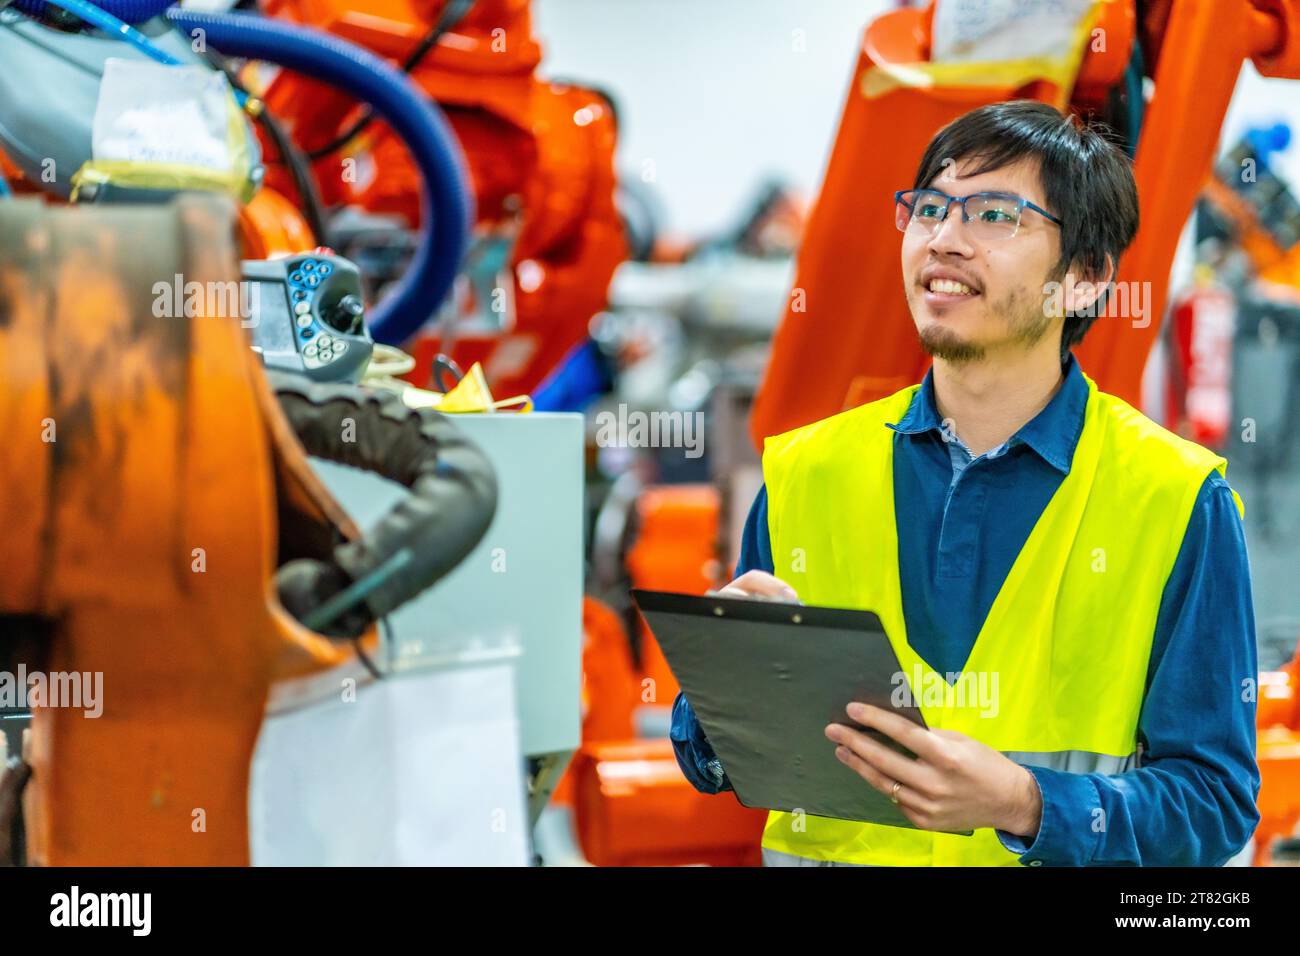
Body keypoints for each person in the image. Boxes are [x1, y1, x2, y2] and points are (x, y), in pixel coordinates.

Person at [670, 100, 1260, 867]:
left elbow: (1213, 804)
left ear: (1083, 279)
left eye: (993, 215)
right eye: (930, 209)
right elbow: (712, 755)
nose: (944, 240)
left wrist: (1025, 802)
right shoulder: (806, 471)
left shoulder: (1174, 496)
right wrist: (723, 705)